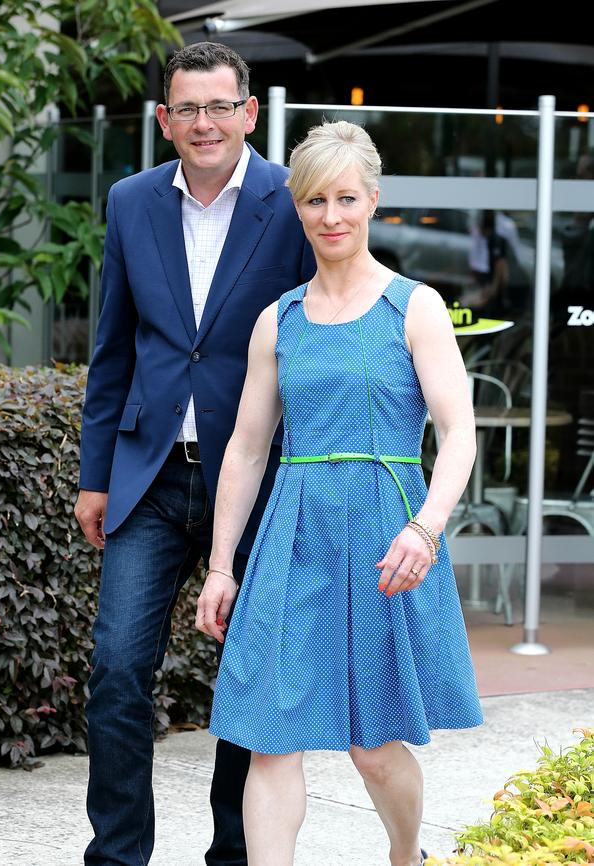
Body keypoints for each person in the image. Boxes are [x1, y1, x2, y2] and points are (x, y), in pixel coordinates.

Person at [196, 120, 484, 866]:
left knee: (374, 749)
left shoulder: (414, 307)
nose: (331, 216)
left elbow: (458, 434)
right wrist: (223, 563)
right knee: (270, 740)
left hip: (390, 532)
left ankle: (405, 854)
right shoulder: (278, 320)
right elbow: (249, 449)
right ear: (298, 206)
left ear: (373, 200)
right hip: (294, 536)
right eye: (316, 200)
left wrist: (426, 529)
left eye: (346, 198)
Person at [74, 42, 314, 866]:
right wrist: (94, 476)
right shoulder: (131, 200)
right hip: (147, 478)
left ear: (249, 112)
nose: (204, 123)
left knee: (247, 685)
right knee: (114, 673)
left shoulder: (293, 201)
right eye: (188, 109)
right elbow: (113, 351)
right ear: (163, 119)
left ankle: (235, 854)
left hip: (256, 482)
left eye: (221, 107)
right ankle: (117, 855)